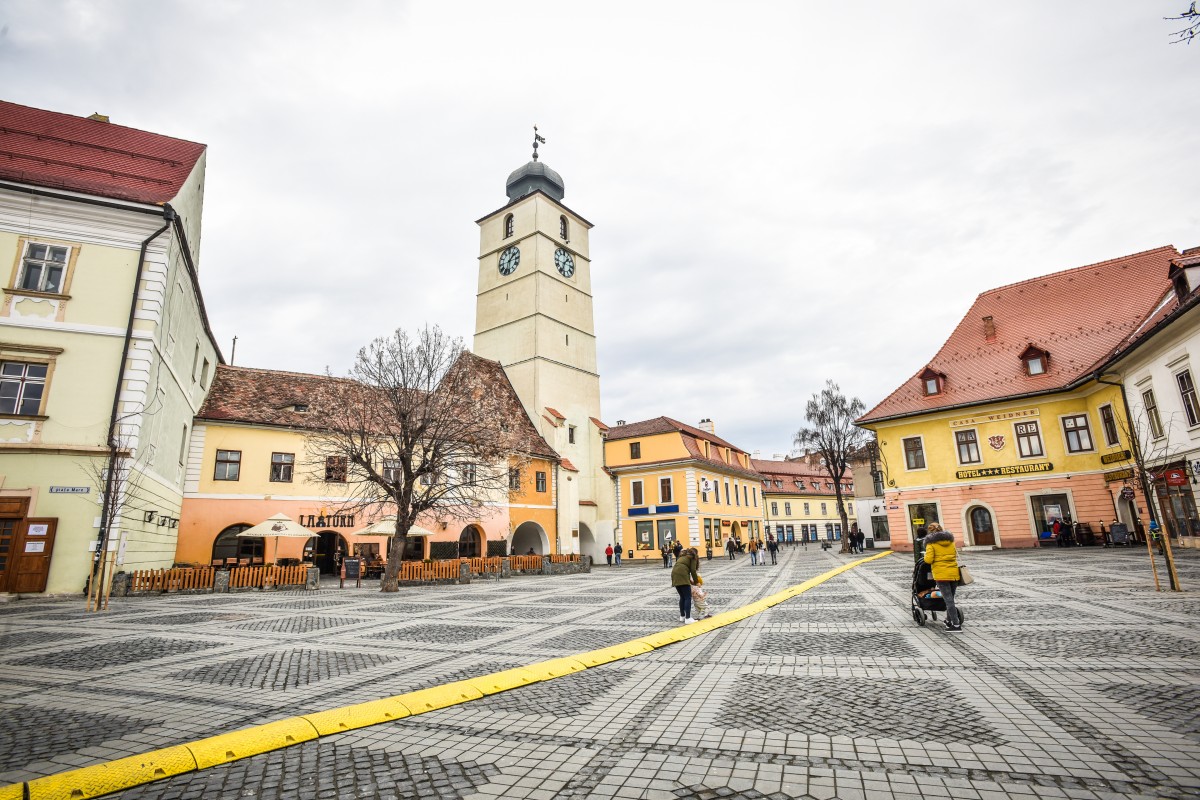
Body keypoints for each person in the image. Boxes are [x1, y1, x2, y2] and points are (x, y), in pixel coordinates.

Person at [922, 522, 963, 632]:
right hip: (954, 573)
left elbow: (929, 560)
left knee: (948, 600)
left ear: (930, 532)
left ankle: (956, 624)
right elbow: (954, 555)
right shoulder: (950, 542)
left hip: (941, 574)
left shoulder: (931, 544)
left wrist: (925, 555)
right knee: (951, 599)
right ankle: (949, 621)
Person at [671, 546, 700, 623]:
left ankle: (682, 616)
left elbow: (683, 569)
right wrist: (697, 582)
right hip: (682, 575)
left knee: (682, 597)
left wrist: (690, 581)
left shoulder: (683, 556)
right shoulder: (693, 557)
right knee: (688, 597)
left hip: (674, 574)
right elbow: (693, 570)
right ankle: (688, 618)